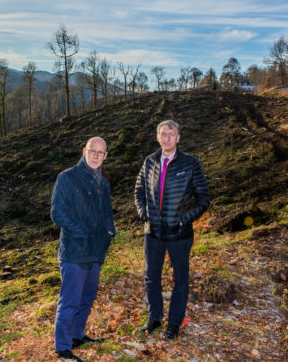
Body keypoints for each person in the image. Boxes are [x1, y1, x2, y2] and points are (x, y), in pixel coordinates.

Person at [134, 120, 210, 340]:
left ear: (178, 138)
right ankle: (154, 319)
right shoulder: (149, 162)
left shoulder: (190, 164)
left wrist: (183, 219)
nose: (166, 138)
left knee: (180, 281)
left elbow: (203, 199)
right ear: (158, 136)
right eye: (162, 134)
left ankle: (174, 324)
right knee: (151, 277)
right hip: (153, 233)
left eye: (171, 134)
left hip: (179, 235)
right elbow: (139, 190)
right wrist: (143, 212)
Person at [51, 137, 116, 361]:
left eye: (101, 152)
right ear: (84, 151)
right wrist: (83, 232)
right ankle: (62, 347)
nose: (96, 155)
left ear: (106, 155)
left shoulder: (103, 180)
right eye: (92, 151)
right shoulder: (67, 177)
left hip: (96, 250)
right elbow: (57, 213)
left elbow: (107, 212)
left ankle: (77, 336)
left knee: (87, 297)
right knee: (70, 300)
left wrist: (110, 231)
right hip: (75, 251)